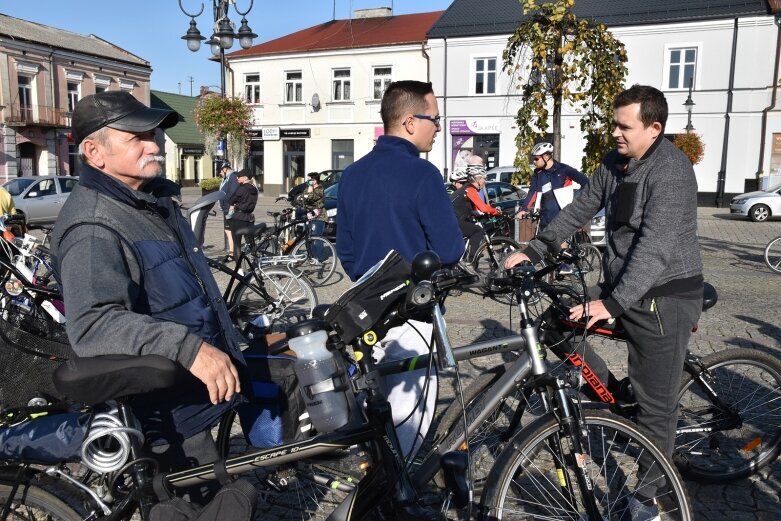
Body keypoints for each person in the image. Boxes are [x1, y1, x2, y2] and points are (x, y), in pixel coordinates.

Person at [505, 85, 703, 521]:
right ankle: (616, 400)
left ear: (654, 129)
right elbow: (580, 209)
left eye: (623, 126)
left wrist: (610, 305)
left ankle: (647, 498)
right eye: (613, 123)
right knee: (557, 323)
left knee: (657, 407)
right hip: (623, 285)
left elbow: (654, 248)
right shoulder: (615, 163)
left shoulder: (671, 171)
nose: (614, 132)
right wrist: (537, 248)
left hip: (665, 293)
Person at [53, 91, 244, 490]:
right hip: (160, 414)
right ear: (94, 152)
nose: (153, 144)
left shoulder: (147, 202)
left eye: (154, 135)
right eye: (136, 137)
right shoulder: (94, 224)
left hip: (188, 395)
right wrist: (189, 349)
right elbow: (93, 324)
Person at [336, 80, 463, 458]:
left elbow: (345, 249)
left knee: (373, 411)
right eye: (434, 119)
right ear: (410, 122)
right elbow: (450, 249)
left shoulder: (353, 174)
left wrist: (370, 282)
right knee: (408, 422)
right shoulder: (422, 174)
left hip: (364, 314)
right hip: (413, 312)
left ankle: (373, 478)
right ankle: (390, 498)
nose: (438, 128)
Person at [516, 142, 590, 229]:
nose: (534, 161)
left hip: (563, 217)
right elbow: (533, 192)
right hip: (545, 217)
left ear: (546, 157)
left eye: (536, 158)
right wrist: (524, 209)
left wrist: (577, 199)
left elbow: (586, 183)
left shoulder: (564, 169)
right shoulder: (538, 173)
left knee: (560, 242)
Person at [451, 159, 502, 261]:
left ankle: (464, 259)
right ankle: (470, 260)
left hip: (452, 220)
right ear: (478, 178)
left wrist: (481, 213)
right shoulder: (470, 189)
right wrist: (496, 212)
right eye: (484, 178)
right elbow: (482, 207)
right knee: (478, 230)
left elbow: (476, 209)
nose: (485, 181)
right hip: (452, 221)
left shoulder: (466, 188)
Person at [226, 168, 259, 261]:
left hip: (238, 218)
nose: (237, 178)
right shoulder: (254, 189)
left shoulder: (242, 188)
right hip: (249, 218)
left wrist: (235, 205)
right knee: (251, 242)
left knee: (237, 244)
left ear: (245, 178)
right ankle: (256, 263)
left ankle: (239, 269)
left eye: (239, 177)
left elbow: (231, 200)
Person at [295, 172, 326, 262]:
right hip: (309, 215)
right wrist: (301, 198)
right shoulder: (308, 188)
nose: (308, 181)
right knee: (309, 236)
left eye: (310, 179)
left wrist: (309, 191)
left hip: (319, 216)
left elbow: (311, 198)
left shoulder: (320, 189)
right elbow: (302, 198)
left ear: (315, 180)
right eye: (308, 179)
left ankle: (318, 257)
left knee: (316, 237)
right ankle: (311, 255)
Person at [217, 160, 239, 254]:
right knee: (228, 230)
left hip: (230, 208)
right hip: (226, 207)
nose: (220, 173)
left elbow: (233, 193)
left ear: (225, 169)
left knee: (230, 230)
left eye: (221, 171)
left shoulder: (232, 177)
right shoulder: (228, 177)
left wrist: (226, 201)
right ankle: (232, 251)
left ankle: (232, 252)